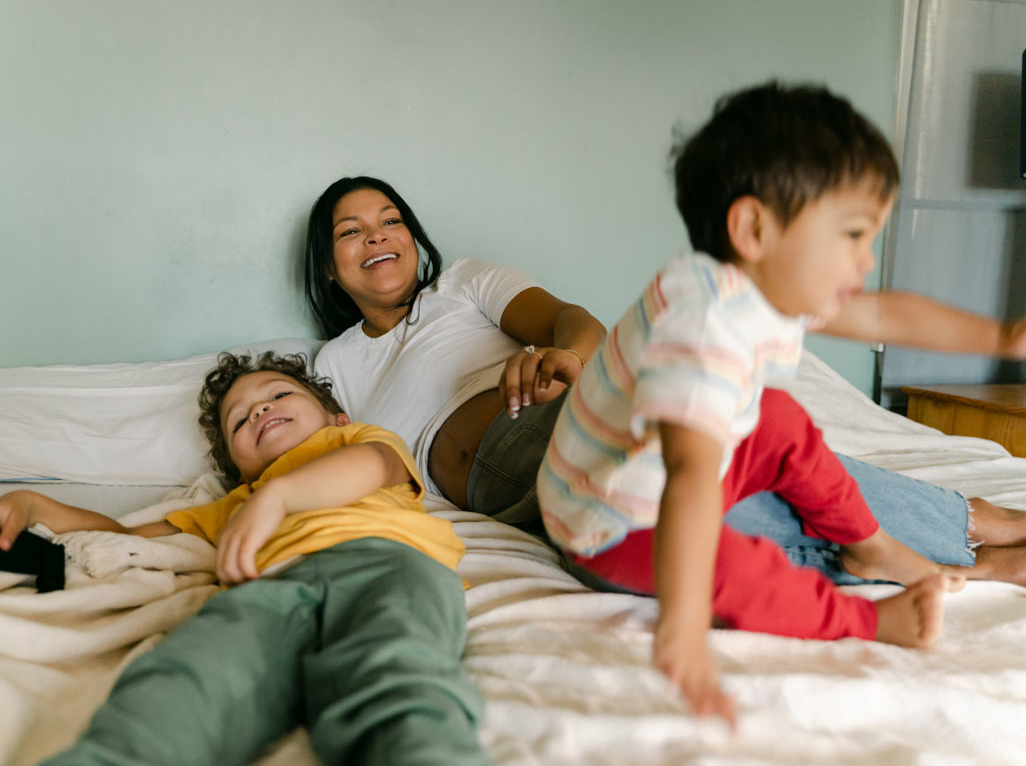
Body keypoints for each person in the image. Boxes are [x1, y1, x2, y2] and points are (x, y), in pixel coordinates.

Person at [534, 81, 999, 724]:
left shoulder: (753, 282)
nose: (866, 262)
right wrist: (683, 627)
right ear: (754, 228)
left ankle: (868, 542)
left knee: (781, 418)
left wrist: (1005, 336)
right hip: (609, 524)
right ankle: (864, 617)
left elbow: (887, 312)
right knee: (731, 563)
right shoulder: (703, 328)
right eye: (855, 235)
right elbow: (692, 476)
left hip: (655, 479)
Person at [304, 175, 1026, 587]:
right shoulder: (330, 367)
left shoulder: (462, 285)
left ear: (413, 237)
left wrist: (565, 361)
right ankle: (968, 562)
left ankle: (976, 521)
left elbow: (573, 323)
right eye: (350, 229)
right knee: (671, 542)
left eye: (390, 219)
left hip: (556, 419)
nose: (376, 234)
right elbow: (316, 456)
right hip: (512, 499)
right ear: (329, 265)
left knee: (722, 467)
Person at [0, 352, 490, 766]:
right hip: (270, 588)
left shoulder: (357, 440)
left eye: (279, 395)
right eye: (240, 419)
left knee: (398, 682)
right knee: (180, 688)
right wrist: (35, 504)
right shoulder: (236, 503)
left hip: (388, 568)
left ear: (336, 416)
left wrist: (276, 500)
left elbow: (368, 468)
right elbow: (124, 534)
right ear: (239, 468)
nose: (260, 411)